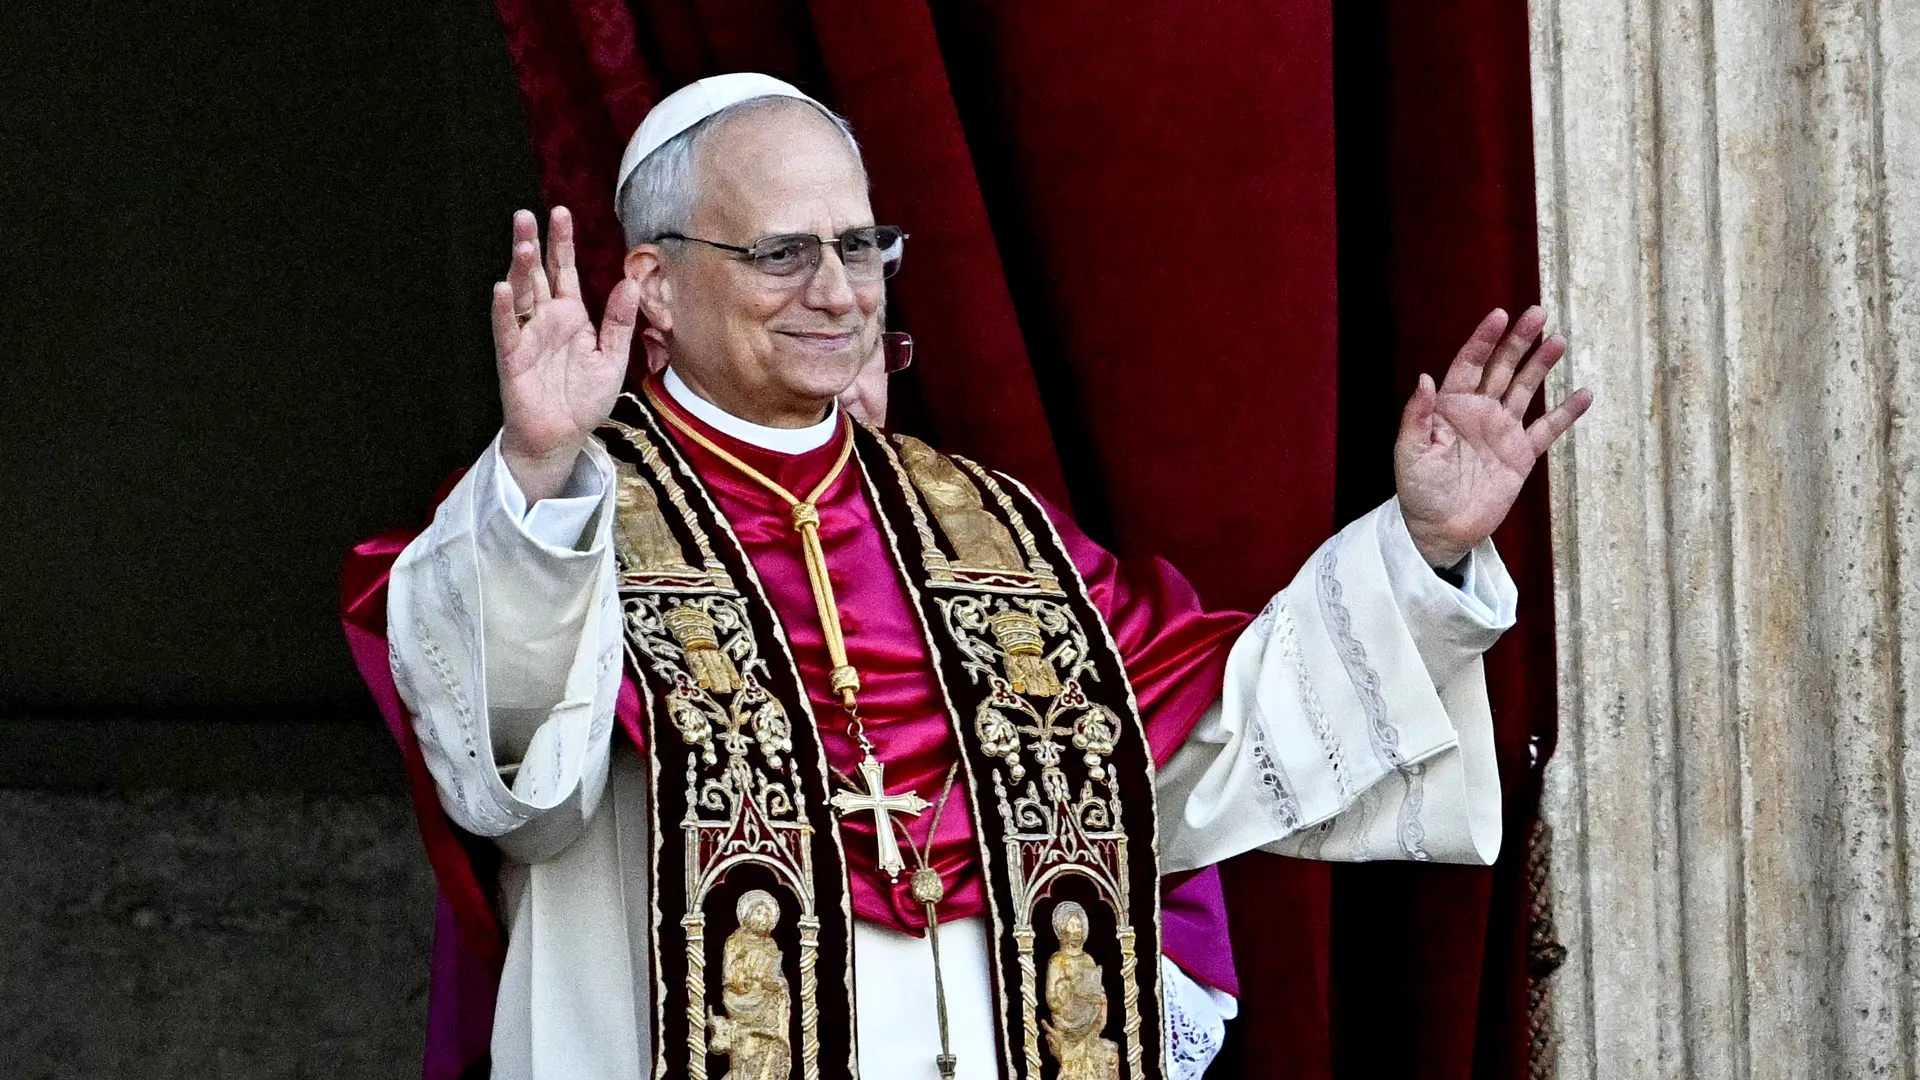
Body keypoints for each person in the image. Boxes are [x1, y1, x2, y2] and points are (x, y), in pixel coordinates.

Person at [360, 72, 1590, 1080]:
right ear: (655, 286)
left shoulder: (994, 532)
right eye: (783, 252)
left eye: (860, 245)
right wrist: (534, 464)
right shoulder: (566, 517)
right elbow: (518, 779)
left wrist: (1421, 549)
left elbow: (1219, 733)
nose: (837, 291)